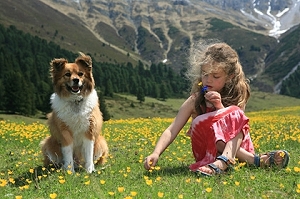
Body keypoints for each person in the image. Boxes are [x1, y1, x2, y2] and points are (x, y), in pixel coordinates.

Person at [143, 41, 289, 176]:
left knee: (235, 112)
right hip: (208, 153)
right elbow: (172, 129)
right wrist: (156, 153)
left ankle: (226, 161)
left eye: (216, 76)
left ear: (230, 77)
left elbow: (235, 129)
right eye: (205, 74)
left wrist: (219, 107)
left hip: (236, 146)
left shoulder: (237, 93)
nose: (208, 79)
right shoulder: (196, 99)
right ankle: (254, 160)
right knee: (200, 121)